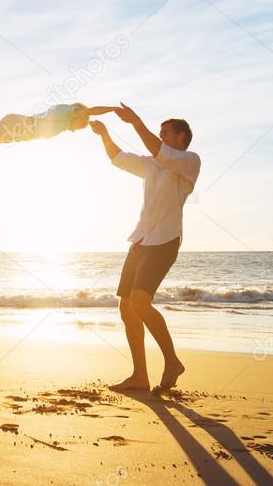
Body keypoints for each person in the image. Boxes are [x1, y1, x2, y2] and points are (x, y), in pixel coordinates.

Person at [90, 103, 201, 393]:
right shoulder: (152, 164)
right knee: (126, 307)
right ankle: (140, 375)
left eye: (165, 133)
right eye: (159, 132)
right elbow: (118, 157)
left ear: (181, 137)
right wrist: (103, 134)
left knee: (140, 302)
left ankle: (172, 362)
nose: (160, 137)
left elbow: (158, 149)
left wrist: (136, 121)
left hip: (165, 240)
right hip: (140, 240)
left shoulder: (190, 161)